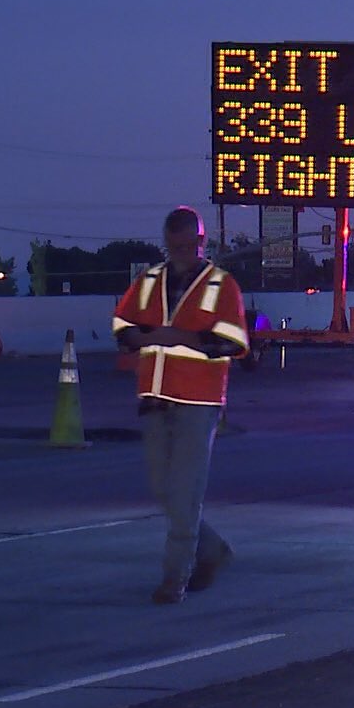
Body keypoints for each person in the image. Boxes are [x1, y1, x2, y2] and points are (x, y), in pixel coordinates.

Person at [111, 206, 249, 604]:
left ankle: (175, 578)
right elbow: (122, 325)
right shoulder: (149, 280)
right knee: (165, 491)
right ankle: (213, 549)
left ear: (202, 242)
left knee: (185, 491)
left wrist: (179, 337)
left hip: (198, 402)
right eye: (175, 247)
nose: (182, 254)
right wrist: (145, 337)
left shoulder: (221, 285)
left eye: (189, 246)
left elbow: (234, 342)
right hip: (155, 399)